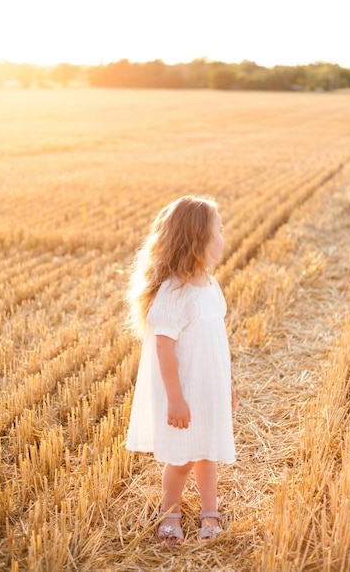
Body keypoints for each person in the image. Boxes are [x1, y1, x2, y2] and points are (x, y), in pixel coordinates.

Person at [125, 195, 236, 547]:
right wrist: (175, 398)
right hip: (184, 389)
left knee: (207, 451)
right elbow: (163, 347)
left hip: (208, 386)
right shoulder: (175, 291)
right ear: (198, 239)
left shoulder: (210, 286)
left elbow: (217, 343)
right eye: (219, 230)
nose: (223, 237)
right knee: (182, 457)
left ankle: (209, 512)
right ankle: (170, 511)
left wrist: (227, 385)